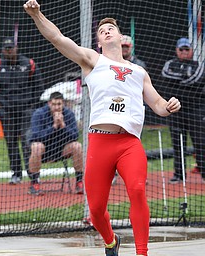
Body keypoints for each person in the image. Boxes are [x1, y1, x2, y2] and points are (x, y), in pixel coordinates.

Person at [24, 1, 181, 255]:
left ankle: (142, 252)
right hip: (100, 142)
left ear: (120, 37)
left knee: (138, 190)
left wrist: (169, 105)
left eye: (111, 29)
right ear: (98, 41)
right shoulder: (92, 60)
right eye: (102, 30)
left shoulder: (138, 71)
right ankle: (110, 241)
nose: (107, 31)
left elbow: (158, 104)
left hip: (129, 143)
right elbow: (58, 38)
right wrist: (36, 14)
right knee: (96, 209)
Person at [0, 37, 44, 185]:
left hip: (26, 110)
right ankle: (16, 174)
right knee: (11, 142)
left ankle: (32, 174)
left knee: (27, 141)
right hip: (6, 111)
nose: (9, 51)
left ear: (16, 48)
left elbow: (39, 87)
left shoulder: (29, 64)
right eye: (6, 48)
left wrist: (32, 105)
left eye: (11, 48)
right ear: (3, 50)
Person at [161, 38, 205, 184]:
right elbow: (167, 76)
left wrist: (179, 83)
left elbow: (197, 79)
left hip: (195, 110)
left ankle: (204, 173)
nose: (184, 52)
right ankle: (179, 174)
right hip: (176, 111)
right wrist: (185, 80)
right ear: (177, 50)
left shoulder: (198, 64)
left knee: (200, 142)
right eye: (182, 49)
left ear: (191, 50)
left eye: (187, 49)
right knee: (178, 143)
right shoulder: (170, 64)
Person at [28, 91, 83, 195]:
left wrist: (63, 126)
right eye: (54, 104)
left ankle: (79, 182)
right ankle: (34, 183)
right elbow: (35, 136)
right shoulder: (39, 114)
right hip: (44, 150)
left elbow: (75, 136)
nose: (56, 107)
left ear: (63, 104)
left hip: (62, 150)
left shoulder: (69, 114)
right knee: (36, 146)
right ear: (49, 103)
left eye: (59, 104)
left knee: (77, 146)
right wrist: (53, 127)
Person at [112, 35, 148, 185]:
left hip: (133, 109)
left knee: (134, 141)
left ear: (130, 47)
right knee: (113, 139)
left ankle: (136, 175)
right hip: (115, 107)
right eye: (122, 46)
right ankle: (112, 173)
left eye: (126, 47)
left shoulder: (139, 65)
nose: (124, 49)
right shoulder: (111, 63)